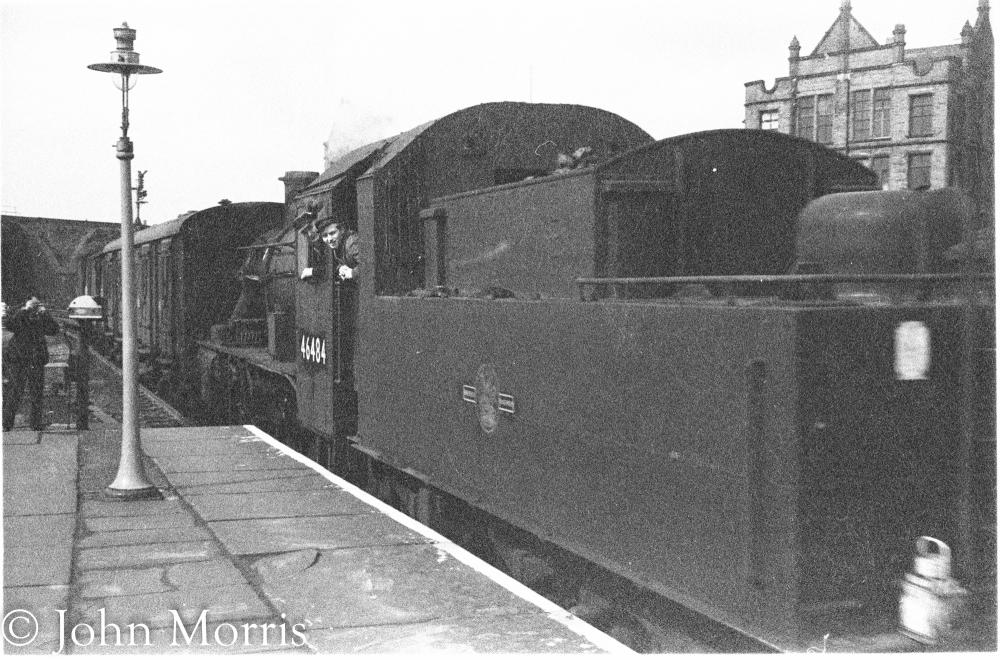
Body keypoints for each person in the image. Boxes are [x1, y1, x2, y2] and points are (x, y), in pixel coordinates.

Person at [3, 296, 60, 431]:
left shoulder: (41, 317)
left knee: (36, 393)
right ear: (27, 304)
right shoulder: (21, 315)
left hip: (35, 358)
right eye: (32, 305)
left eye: (36, 305)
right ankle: (6, 424)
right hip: (19, 359)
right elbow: (10, 324)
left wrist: (45, 314)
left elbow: (54, 329)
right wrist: (25, 310)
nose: (34, 309)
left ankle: (35, 424)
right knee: (15, 392)